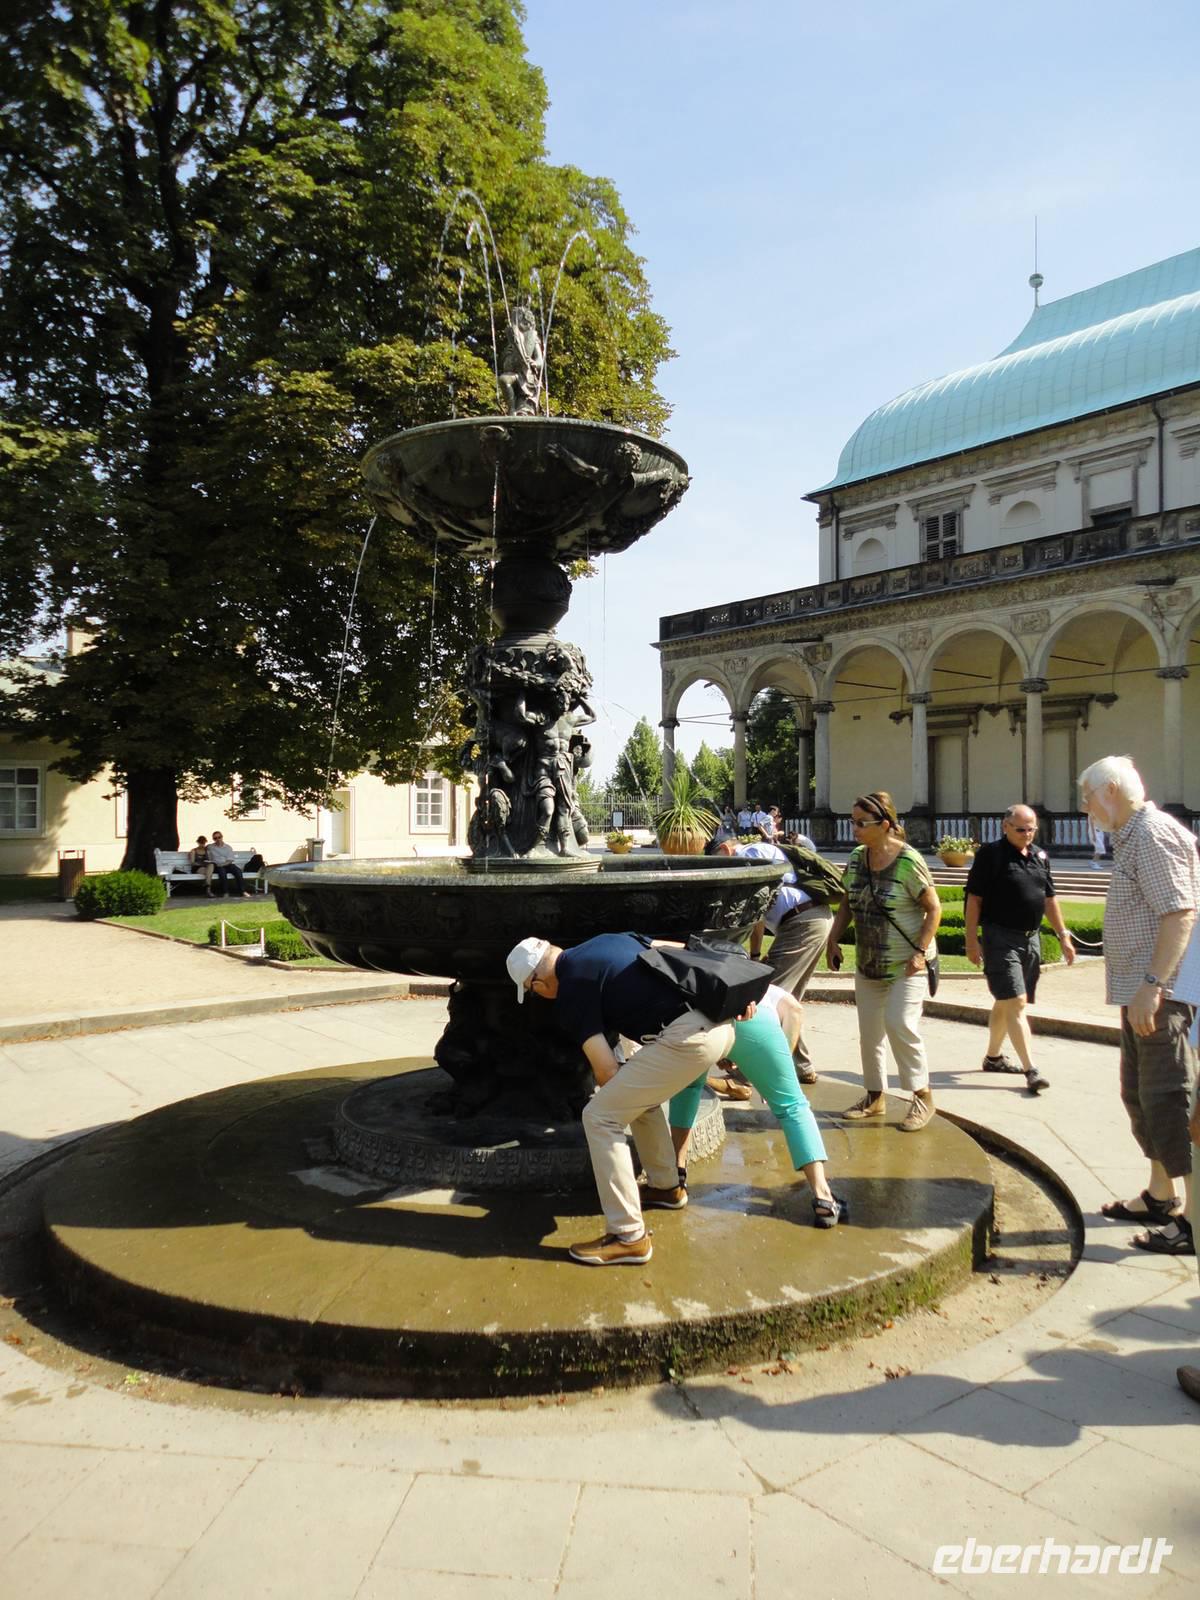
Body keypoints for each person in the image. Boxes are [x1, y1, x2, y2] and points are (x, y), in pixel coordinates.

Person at [506, 932, 741, 1266]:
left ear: (539, 981)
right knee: (632, 1096)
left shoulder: (571, 990)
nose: (539, 997)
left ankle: (628, 1236)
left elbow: (605, 1072)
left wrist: (613, 1085)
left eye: (532, 991)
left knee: (599, 1116)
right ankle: (665, 1187)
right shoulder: (606, 940)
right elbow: (674, 949)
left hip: (687, 1039)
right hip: (717, 1023)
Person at [1080, 756, 1198, 1255]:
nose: (1083, 807)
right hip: (1140, 993)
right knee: (1140, 1097)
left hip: (1160, 996)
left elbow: (1179, 911)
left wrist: (1153, 984)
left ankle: (1190, 1223)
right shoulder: (1133, 835)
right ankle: (1160, 1194)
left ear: (1110, 790)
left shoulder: (1151, 835)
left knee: (1167, 1101)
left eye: (1086, 796)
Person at [666, 985, 846, 1226]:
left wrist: (723, 1051)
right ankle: (823, 1197)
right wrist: (779, 1063)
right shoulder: (766, 988)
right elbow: (794, 1010)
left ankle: (675, 1178)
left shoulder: (704, 978)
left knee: (688, 1089)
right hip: (756, 1023)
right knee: (792, 1105)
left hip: (702, 1024)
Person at [825, 790, 942, 1132]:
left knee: (899, 1024)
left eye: (862, 823)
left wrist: (920, 951)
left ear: (886, 825)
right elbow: (848, 901)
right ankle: (874, 1097)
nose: (855, 829)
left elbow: (933, 908)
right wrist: (833, 939)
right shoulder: (858, 858)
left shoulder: (908, 861)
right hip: (869, 963)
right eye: (853, 822)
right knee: (869, 1034)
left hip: (908, 963)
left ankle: (923, 1096)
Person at [964, 804, 1076, 1095]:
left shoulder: (1039, 855)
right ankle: (1031, 1070)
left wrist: (1063, 935)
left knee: (1006, 1001)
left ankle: (993, 1058)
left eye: (1031, 829)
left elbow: (1049, 898)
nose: (1027, 834)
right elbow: (974, 899)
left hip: (1031, 939)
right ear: (1005, 826)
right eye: (1021, 829)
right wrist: (971, 940)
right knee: (1017, 1002)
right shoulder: (991, 855)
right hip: (1000, 937)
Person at [710, 833, 832, 1084]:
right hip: (808, 921)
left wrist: (753, 956)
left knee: (767, 997)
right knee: (786, 999)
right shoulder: (756, 853)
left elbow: (756, 913)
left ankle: (748, 1074)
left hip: (802, 922)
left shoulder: (750, 854)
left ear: (725, 848)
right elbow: (759, 917)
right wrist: (754, 956)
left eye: (717, 860)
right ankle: (802, 1067)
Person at [206, 830, 246, 897]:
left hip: (227, 864)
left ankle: (243, 891)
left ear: (222, 837)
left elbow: (230, 860)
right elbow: (203, 848)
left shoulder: (228, 847)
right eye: (215, 838)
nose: (218, 839)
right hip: (217, 865)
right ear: (213, 839)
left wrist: (223, 864)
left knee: (238, 871)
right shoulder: (210, 847)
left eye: (219, 837)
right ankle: (226, 892)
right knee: (222, 872)